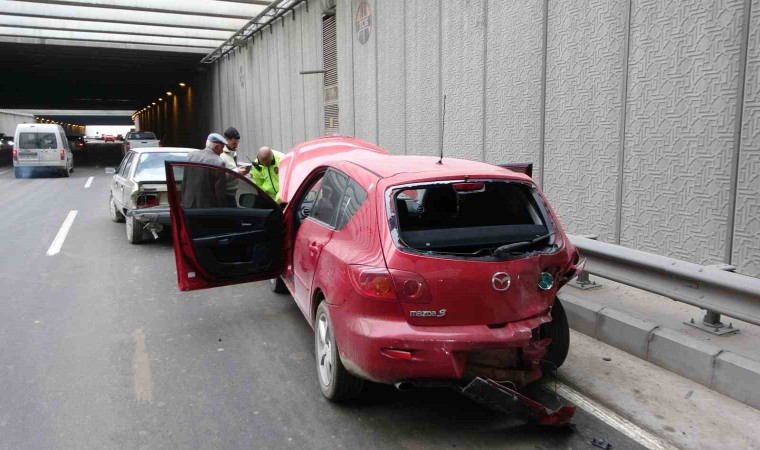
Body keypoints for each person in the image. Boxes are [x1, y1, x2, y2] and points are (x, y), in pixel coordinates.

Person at [181, 133, 228, 209]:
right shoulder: (219, 162)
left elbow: (184, 181)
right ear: (217, 147)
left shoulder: (191, 156)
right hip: (207, 209)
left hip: (188, 205)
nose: (222, 151)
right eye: (222, 148)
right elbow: (219, 190)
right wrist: (222, 208)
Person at [220, 127, 251, 207]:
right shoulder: (221, 155)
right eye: (234, 143)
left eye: (237, 143)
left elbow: (231, 169)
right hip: (225, 195)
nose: (236, 146)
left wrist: (241, 173)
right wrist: (237, 172)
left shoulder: (232, 153)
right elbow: (220, 176)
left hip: (232, 194)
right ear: (226, 140)